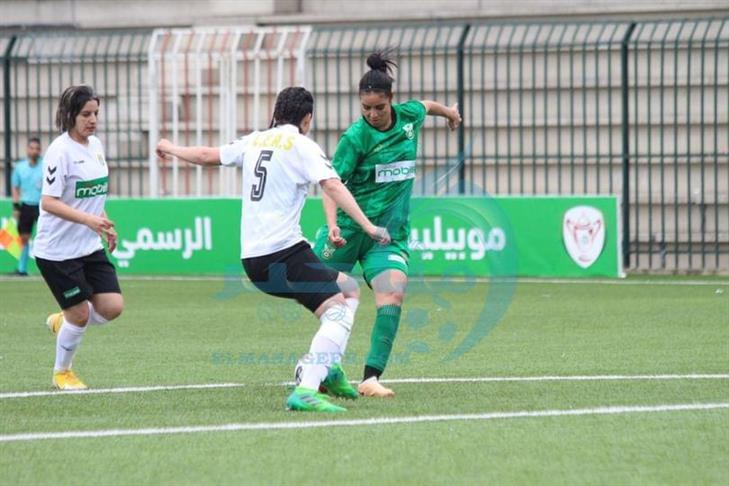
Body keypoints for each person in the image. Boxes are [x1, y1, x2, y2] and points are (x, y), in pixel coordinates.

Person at [156, 87, 391, 413]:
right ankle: (307, 388)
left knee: (349, 288)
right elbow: (332, 185)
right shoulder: (302, 145)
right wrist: (368, 226)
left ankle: (329, 370)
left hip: (256, 259)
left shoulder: (255, 140)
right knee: (336, 312)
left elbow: (209, 155)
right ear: (307, 118)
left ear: (276, 113)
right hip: (283, 254)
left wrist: (170, 147)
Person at [313, 50, 462, 397]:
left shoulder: (409, 116)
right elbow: (330, 184)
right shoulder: (355, 138)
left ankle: (370, 378)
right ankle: (322, 368)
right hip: (348, 230)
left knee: (393, 291)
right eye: (365, 108)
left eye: (378, 107)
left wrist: (450, 114)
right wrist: (332, 225)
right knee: (321, 293)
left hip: (387, 236)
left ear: (391, 100)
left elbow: (426, 105)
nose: (372, 114)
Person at [34, 85, 123, 391]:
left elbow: (94, 193)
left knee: (112, 307)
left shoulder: (95, 145)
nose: (93, 120)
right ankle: (62, 373)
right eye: (86, 114)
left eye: (96, 113)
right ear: (70, 115)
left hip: (88, 245)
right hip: (57, 251)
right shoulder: (59, 152)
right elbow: (49, 202)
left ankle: (64, 321)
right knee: (81, 314)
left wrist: (104, 223)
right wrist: (89, 220)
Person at [10, 137, 44, 276]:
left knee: (46, 237)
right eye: (32, 148)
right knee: (24, 237)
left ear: (40, 150)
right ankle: (22, 268)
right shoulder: (20, 167)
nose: (34, 151)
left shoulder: (45, 165)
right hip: (26, 206)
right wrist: (16, 206)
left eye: (37, 148)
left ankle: (49, 269)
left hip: (43, 206)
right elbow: (15, 187)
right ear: (27, 149)